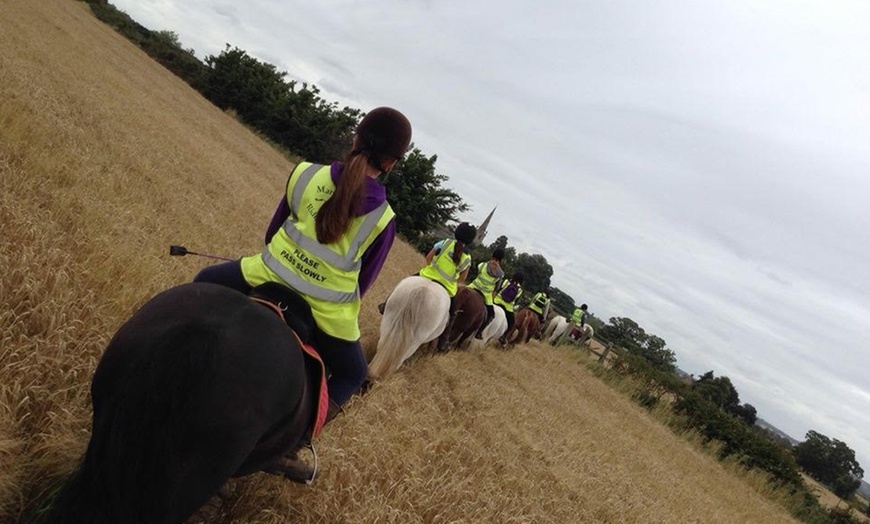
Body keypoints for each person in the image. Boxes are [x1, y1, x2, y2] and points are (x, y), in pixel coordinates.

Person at [192, 107, 412, 482]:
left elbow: (271, 233)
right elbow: (363, 284)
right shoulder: (384, 219)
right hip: (325, 313)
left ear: (355, 137)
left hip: (263, 274)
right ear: (391, 162)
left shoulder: (305, 173)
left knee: (203, 280)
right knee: (353, 374)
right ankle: (293, 444)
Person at [417, 222, 476, 349]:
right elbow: (462, 279)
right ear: (470, 240)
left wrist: (431, 271)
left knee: (407, 281)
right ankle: (443, 343)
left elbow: (428, 258)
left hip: (427, 275)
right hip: (447, 289)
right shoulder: (467, 258)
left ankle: (386, 304)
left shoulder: (445, 243)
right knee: (452, 315)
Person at [468, 248, 505, 339]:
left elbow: (478, 274)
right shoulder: (500, 274)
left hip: (473, 286)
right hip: (486, 295)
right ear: (501, 260)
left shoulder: (482, 265)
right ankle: (479, 332)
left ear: (492, 256)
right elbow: (497, 287)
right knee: (491, 314)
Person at [495, 272, 524, 345]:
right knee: (512, 323)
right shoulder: (520, 290)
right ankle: (503, 337)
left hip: (497, 301)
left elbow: (499, 289)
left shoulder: (506, 281)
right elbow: (516, 301)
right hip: (508, 309)